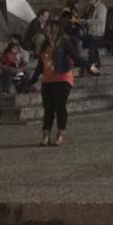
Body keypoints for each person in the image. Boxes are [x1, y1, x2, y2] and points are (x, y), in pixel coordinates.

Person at [39, 15, 87, 146]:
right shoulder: (45, 43)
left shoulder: (64, 42)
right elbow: (40, 63)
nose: (45, 29)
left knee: (60, 106)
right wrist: (32, 79)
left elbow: (75, 57)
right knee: (48, 108)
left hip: (62, 77)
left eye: (48, 27)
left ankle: (60, 133)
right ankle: (46, 134)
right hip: (48, 79)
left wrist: (88, 66)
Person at [83, 0, 106, 75]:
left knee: (92, 52)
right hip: (91, 32)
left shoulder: (101, 7)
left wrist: (87, 21)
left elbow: (100, 20)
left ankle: (93, 70)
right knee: (94, 52)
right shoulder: (91, 7)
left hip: (97, 32)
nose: (87, 4)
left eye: (87, 2)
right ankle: (96, 68)